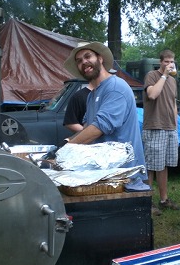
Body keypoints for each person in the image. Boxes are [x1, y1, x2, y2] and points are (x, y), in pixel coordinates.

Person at [63, 42, 146, 174]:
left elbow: (99, 127)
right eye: (79, 61)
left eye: (87, 56)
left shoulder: (115, 88)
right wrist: (70, 140)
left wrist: (68, 148)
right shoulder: (92, 95)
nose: (84, 62)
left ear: (100, 58)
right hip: (104, 172)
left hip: (124, 175)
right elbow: (87, 127)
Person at [142, 49, 180, 215]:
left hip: (169, 128)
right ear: (160, 62)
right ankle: (147, 202)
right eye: (166, 61)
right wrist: (164, 75)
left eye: (172, 61)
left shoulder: (173, 81)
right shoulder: (152, 75)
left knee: (163, 165)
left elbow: (173, 103)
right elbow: (152, 95)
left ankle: (164, 200)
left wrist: (176, 124)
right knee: (150, 166)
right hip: (154, 127)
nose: (170, 64)